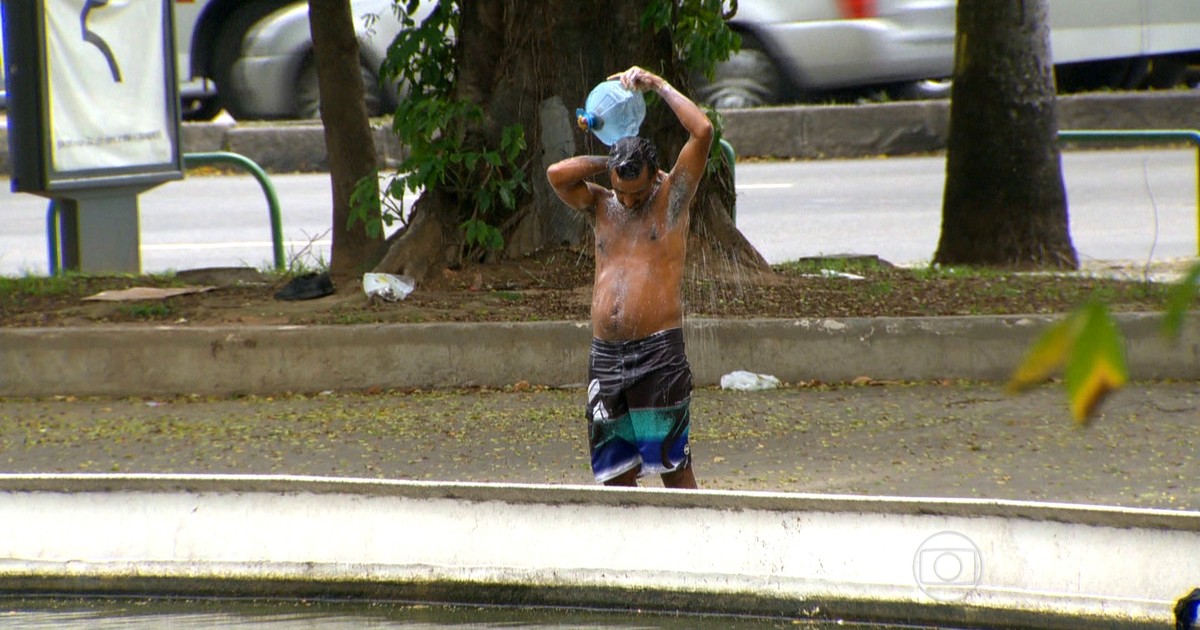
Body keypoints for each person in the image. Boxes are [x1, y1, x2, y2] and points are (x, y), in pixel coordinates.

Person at [546, 66, 713, 489]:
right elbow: (557, 175)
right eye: (622, 191)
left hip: (658, 353)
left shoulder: (672, 198)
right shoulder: (602, 203)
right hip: (606, 356)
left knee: (673, 467)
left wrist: (656, 85)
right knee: (613, 474)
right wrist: (614, 158)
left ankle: (695, 550)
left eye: (637, 193)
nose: (628, 200)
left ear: (655, 176)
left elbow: (702, 131)